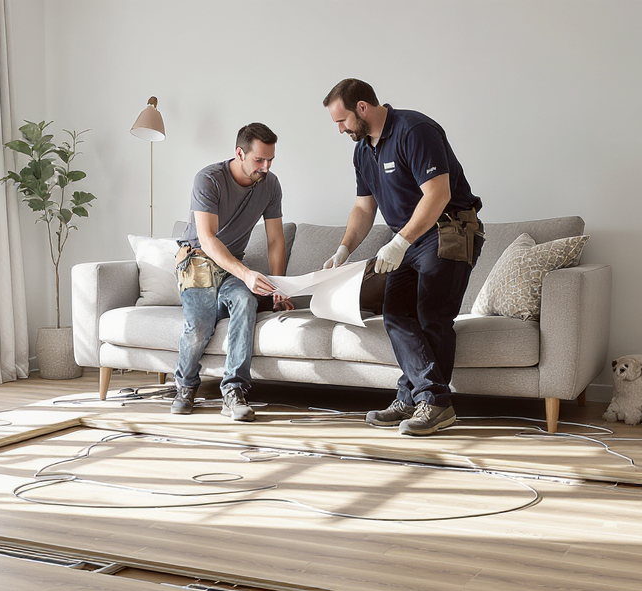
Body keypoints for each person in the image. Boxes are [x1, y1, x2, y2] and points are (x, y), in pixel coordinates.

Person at [321, 78, 483, 436]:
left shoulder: (415, 129)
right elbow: (364, 209)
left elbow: (437, 194)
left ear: (362, 108)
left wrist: (398, 243)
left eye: (341, 120)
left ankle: (433, 403)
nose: (340, 129)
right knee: (394, 313)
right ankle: (415, 398)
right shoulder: (363, 150)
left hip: (449, 230)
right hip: (409, 241)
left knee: (432, 315)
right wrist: (344, 248)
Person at [171, 122, 291, 422]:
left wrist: (278, 287)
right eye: (259, 160)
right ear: (240, 153)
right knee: (199, 327)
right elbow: (208, 239)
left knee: (246, 301)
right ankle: (185, 386)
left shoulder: (270, 185)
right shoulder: (209, 179)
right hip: (197, 262)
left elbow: (276, 240)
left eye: (270, 160)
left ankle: (234, 390)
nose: (266, 167)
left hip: (232, 268)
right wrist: (247, 274)